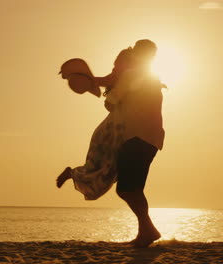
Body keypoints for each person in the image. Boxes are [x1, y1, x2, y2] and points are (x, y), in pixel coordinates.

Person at [56, 48, 135, 200]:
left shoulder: (136, 75)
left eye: (117, 63)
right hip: (111, 128)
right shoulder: (123, 73)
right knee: (105, 168)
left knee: (108, 169)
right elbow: (102, 81)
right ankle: (72, 173)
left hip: (116, 126)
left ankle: (72, 173)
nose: (115, 67)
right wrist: (80, 78)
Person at [112, 39, 165, 248]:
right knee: (135, 188)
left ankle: (149, 229)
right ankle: (146, 231)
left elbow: (111, 102)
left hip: (136, 136)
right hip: (153, 138)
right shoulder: (153, 77)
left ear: (136, 54)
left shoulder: (131, 75)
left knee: (125, 189)